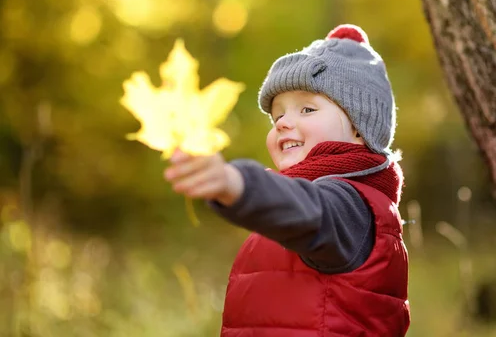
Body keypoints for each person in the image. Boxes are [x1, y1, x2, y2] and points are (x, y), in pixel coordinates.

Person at [164, 24, 410, 336]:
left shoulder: (352, 206)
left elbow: (307, 211)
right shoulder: (318, 197)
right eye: (277, 115)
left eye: (307, 109)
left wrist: (236, 183)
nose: (283, 123)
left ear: (360, 130)